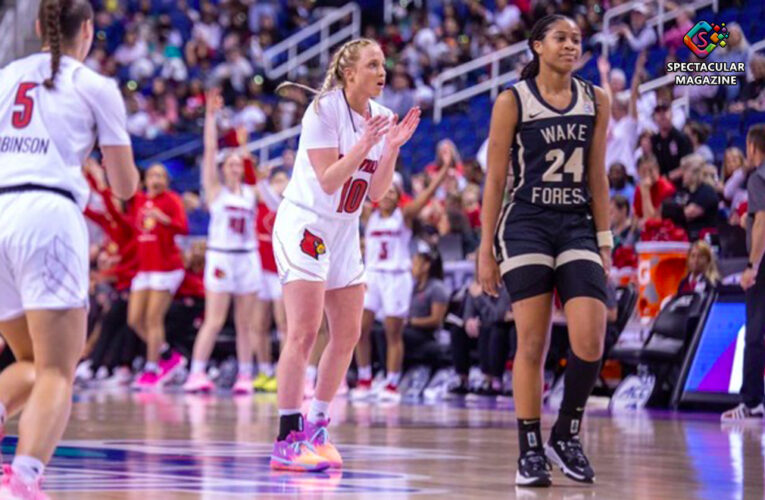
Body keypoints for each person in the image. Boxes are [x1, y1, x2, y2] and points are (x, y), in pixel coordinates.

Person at [0, 0, 139, 496]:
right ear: (88, 33)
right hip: (47, 214)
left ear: (40, 27)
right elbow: (124, 187)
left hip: (1, 210)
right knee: (59, 369)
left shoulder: (7, 74)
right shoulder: (94, 86)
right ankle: (25, 478)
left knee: (31, 362)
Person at [269, 38, 420, 472]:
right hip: (306, 224)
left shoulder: (384, 118)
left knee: (349, 332)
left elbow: (375, 192)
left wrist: (389, 149)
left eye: (384, 64)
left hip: (344, 230)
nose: (382, 71)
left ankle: (317, 424)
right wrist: (363, 146)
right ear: (349, 73)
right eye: (373, 64)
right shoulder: (324, 110)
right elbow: (330, 180)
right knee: (303, 331)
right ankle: (287, 437)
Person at [478, 15, 611, 487]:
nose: (571, 45)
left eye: (576, 39)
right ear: (537, 46)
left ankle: (566, 432)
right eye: (561, 38)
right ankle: (529, 449)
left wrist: (605, 240)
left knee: (591, 337)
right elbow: (495, 178)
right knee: (532, 341)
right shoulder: (512, 100)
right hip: (526, 224)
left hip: (576, 224)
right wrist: (484, 248)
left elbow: (598, 175)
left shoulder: (597, 99)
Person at [183, 88, 261, 395]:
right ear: (222, 168)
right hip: (221, 256)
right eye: (229, 163)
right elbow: (210, 146)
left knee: (245, 323)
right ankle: (196, 372)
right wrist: (212, 117)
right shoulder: (215, 190)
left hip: (247, 256)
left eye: (238, 164)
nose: (234, 167)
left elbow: (254, 170)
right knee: (214, 319)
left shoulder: (251, 193)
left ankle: (245, 375)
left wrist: (244, 148)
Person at [351, 164, 450, 403]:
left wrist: (443, 172)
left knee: (392, 332)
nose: (387, 196)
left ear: (399, 196)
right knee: (359, 330)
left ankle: (392, 382)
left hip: (396, 277)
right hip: (373, 275)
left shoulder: (403, 217)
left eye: (392, 192)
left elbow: (423, 199)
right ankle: (365, 379)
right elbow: (356, 185)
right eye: (384, 191)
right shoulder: (368, 215)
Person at [128, 163, 189, 390]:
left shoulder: (172, 199)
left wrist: (164, 218)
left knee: (153, 319)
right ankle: (167, 354)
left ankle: (152, 368)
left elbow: (183, 228)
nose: (157, 178)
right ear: (145, 180)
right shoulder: (140, 201)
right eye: (153, 174)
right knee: (135, 319)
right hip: (145, 267)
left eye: (161, 175)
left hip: (166, 267)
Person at [723, 124, 765, 421]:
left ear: (751, 148)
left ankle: (751, 403)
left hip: (763, 266)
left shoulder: (758, 178)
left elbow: (763, 221)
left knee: (755, 333)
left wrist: (752, 265)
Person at [251, 168, 289, 393]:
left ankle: (283, 372)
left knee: (283, 324)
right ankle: (264, 370)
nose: (279, 184)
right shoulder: (256, 206)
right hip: (261, 272)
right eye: (276, 180)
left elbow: (271, 197)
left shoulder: (285, 207)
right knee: (258, 325)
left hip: (280, 272)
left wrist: (262, 181)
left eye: (283, 179)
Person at [650, 101, 693, 181]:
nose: (662, 115)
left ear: (671, 114)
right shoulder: (654, 140)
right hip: (660, 183)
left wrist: (667, 177)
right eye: (658, 112)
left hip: (680, 184)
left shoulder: (681, 138)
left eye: (665, 111)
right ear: (654, 117)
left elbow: (688, 165)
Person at [633, 155, 676, 227]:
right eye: (644, 171)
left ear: (657, 169)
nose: (648, 175)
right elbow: (636, 216)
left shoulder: (667, 188)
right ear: (638, 172)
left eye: (650, 171)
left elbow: (652, 220)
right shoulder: (639, 188)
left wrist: (645, 192)